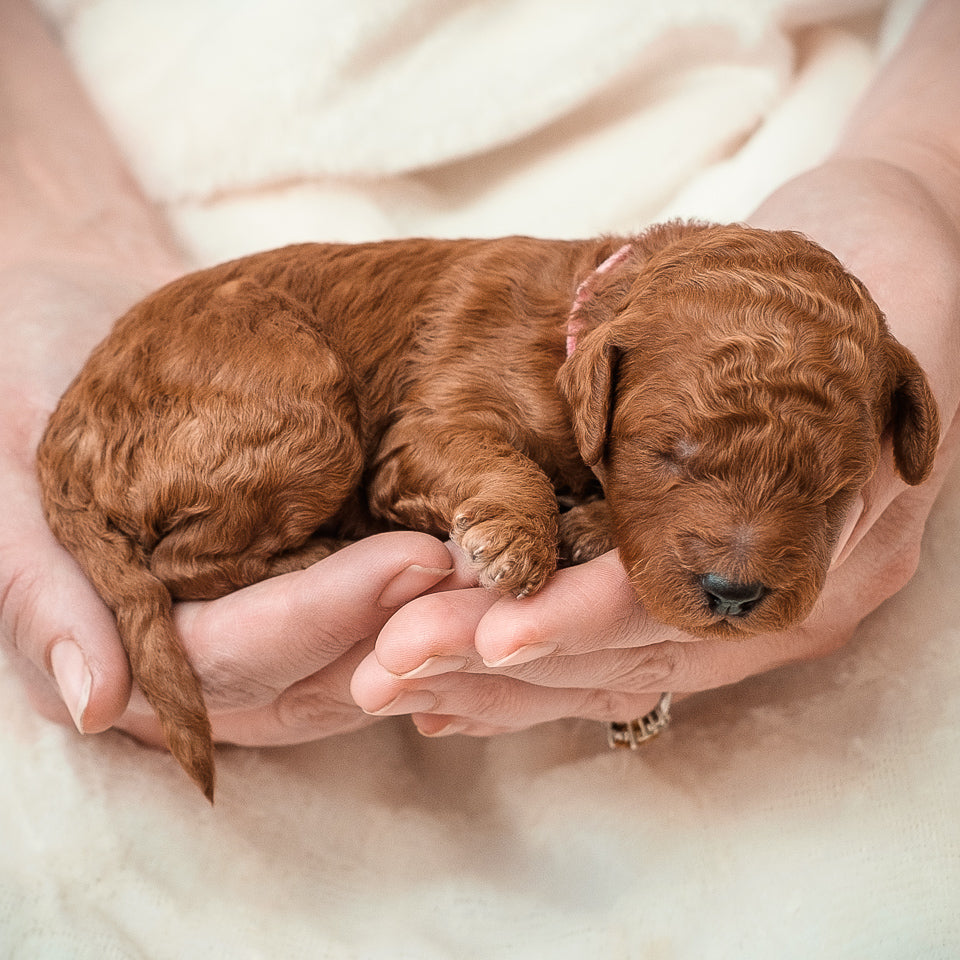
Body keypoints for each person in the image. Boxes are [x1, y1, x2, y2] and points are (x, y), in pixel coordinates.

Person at [1, 0, 957, 752]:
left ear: (908, 414)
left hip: (846, 99)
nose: (741, 564)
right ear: (597, 387)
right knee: (303, 444)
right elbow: (428, 442)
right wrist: (42, 231)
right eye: (677, 452)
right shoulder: (529, 354)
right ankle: (204, 560)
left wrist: (922, 170)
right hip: (176, 252)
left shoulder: (847, 383)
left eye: (822, 480)